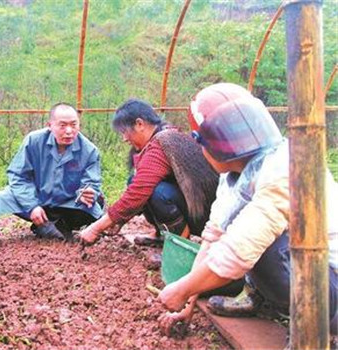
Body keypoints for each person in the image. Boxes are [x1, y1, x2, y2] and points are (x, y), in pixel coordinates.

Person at [158, 83, 338, 334]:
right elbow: (214, 237)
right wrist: (187, 305)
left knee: (262, 247)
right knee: (244, 235)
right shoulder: (234, 173)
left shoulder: (284, 169)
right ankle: (260, 299)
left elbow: (237, 252)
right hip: (315, 277)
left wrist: (181, 289)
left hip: (331, 285)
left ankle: (312, 328)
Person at [79, 99, 218, 245]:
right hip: (201, 208)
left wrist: (95, 228)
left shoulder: (161, 144)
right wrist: (120, 219)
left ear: (140, 124)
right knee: (134, 180)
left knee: (158, 192)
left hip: (205, 216)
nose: (124, 139)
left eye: (125, 132)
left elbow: (137, 194)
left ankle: (179, 244)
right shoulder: (166, 133)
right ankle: (162, 234)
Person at [0, 102, 103, 240]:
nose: (69, 131)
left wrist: (88, 193)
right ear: (50, 126)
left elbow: (91, 183)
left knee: (95, 205)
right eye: (63, 125)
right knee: (1, 199)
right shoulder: (33, 141)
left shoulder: (90, 150)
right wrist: (32, 206)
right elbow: (18, 177)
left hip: (68, 203)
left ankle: (57, 225)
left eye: (74, 124)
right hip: (35, 197)